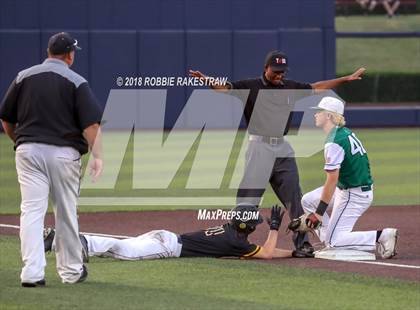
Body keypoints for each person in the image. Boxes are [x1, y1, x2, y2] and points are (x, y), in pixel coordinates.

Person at [189, 50, 366, 257]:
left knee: (295, 198)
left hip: (283, 149)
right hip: (259, 147)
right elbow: (225, 88)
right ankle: (237, 239)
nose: (279, 75)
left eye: (282, 71)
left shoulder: (290, 87)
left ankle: (303, 244)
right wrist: (207, 80)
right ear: (266, 68)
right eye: (275, 71)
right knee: (249, 198)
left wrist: (344, 79)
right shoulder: (250, 86)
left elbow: (318, 87)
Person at [0, 32, 103, 287]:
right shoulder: (76, 80)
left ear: (49, 52)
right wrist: (98, 155)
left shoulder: (23, 76)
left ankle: (32, 273)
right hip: (63, 154)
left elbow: (6, 118)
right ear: (69, 55)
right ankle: (71, 272)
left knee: (31, 212)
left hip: (28, 151)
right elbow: (91, 124)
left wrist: (21, 142)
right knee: (66, 212)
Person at [301, 96, 398, 259]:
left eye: (319, 112)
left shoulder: (334, 141)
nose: (315, 115)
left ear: (329, 116)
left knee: (335, 241)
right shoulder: (343, 132)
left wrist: (318, 214)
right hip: (348, 188)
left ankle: (382, 235)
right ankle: (329, 240)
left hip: (354, 194)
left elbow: (331, 180)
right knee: (308, 200)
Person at [44, 205, 303, 261]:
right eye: (256, 223)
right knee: (126, 252)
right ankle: (81, 241)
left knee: (120, 249)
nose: (258, 224)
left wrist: (292, 252)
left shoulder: (232, 235)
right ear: (245, 226)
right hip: (168, 246)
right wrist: (274, 227)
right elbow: (267, 253)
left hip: (166, 237)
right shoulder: (235, 242)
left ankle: (60, 239)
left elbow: (267, 251)